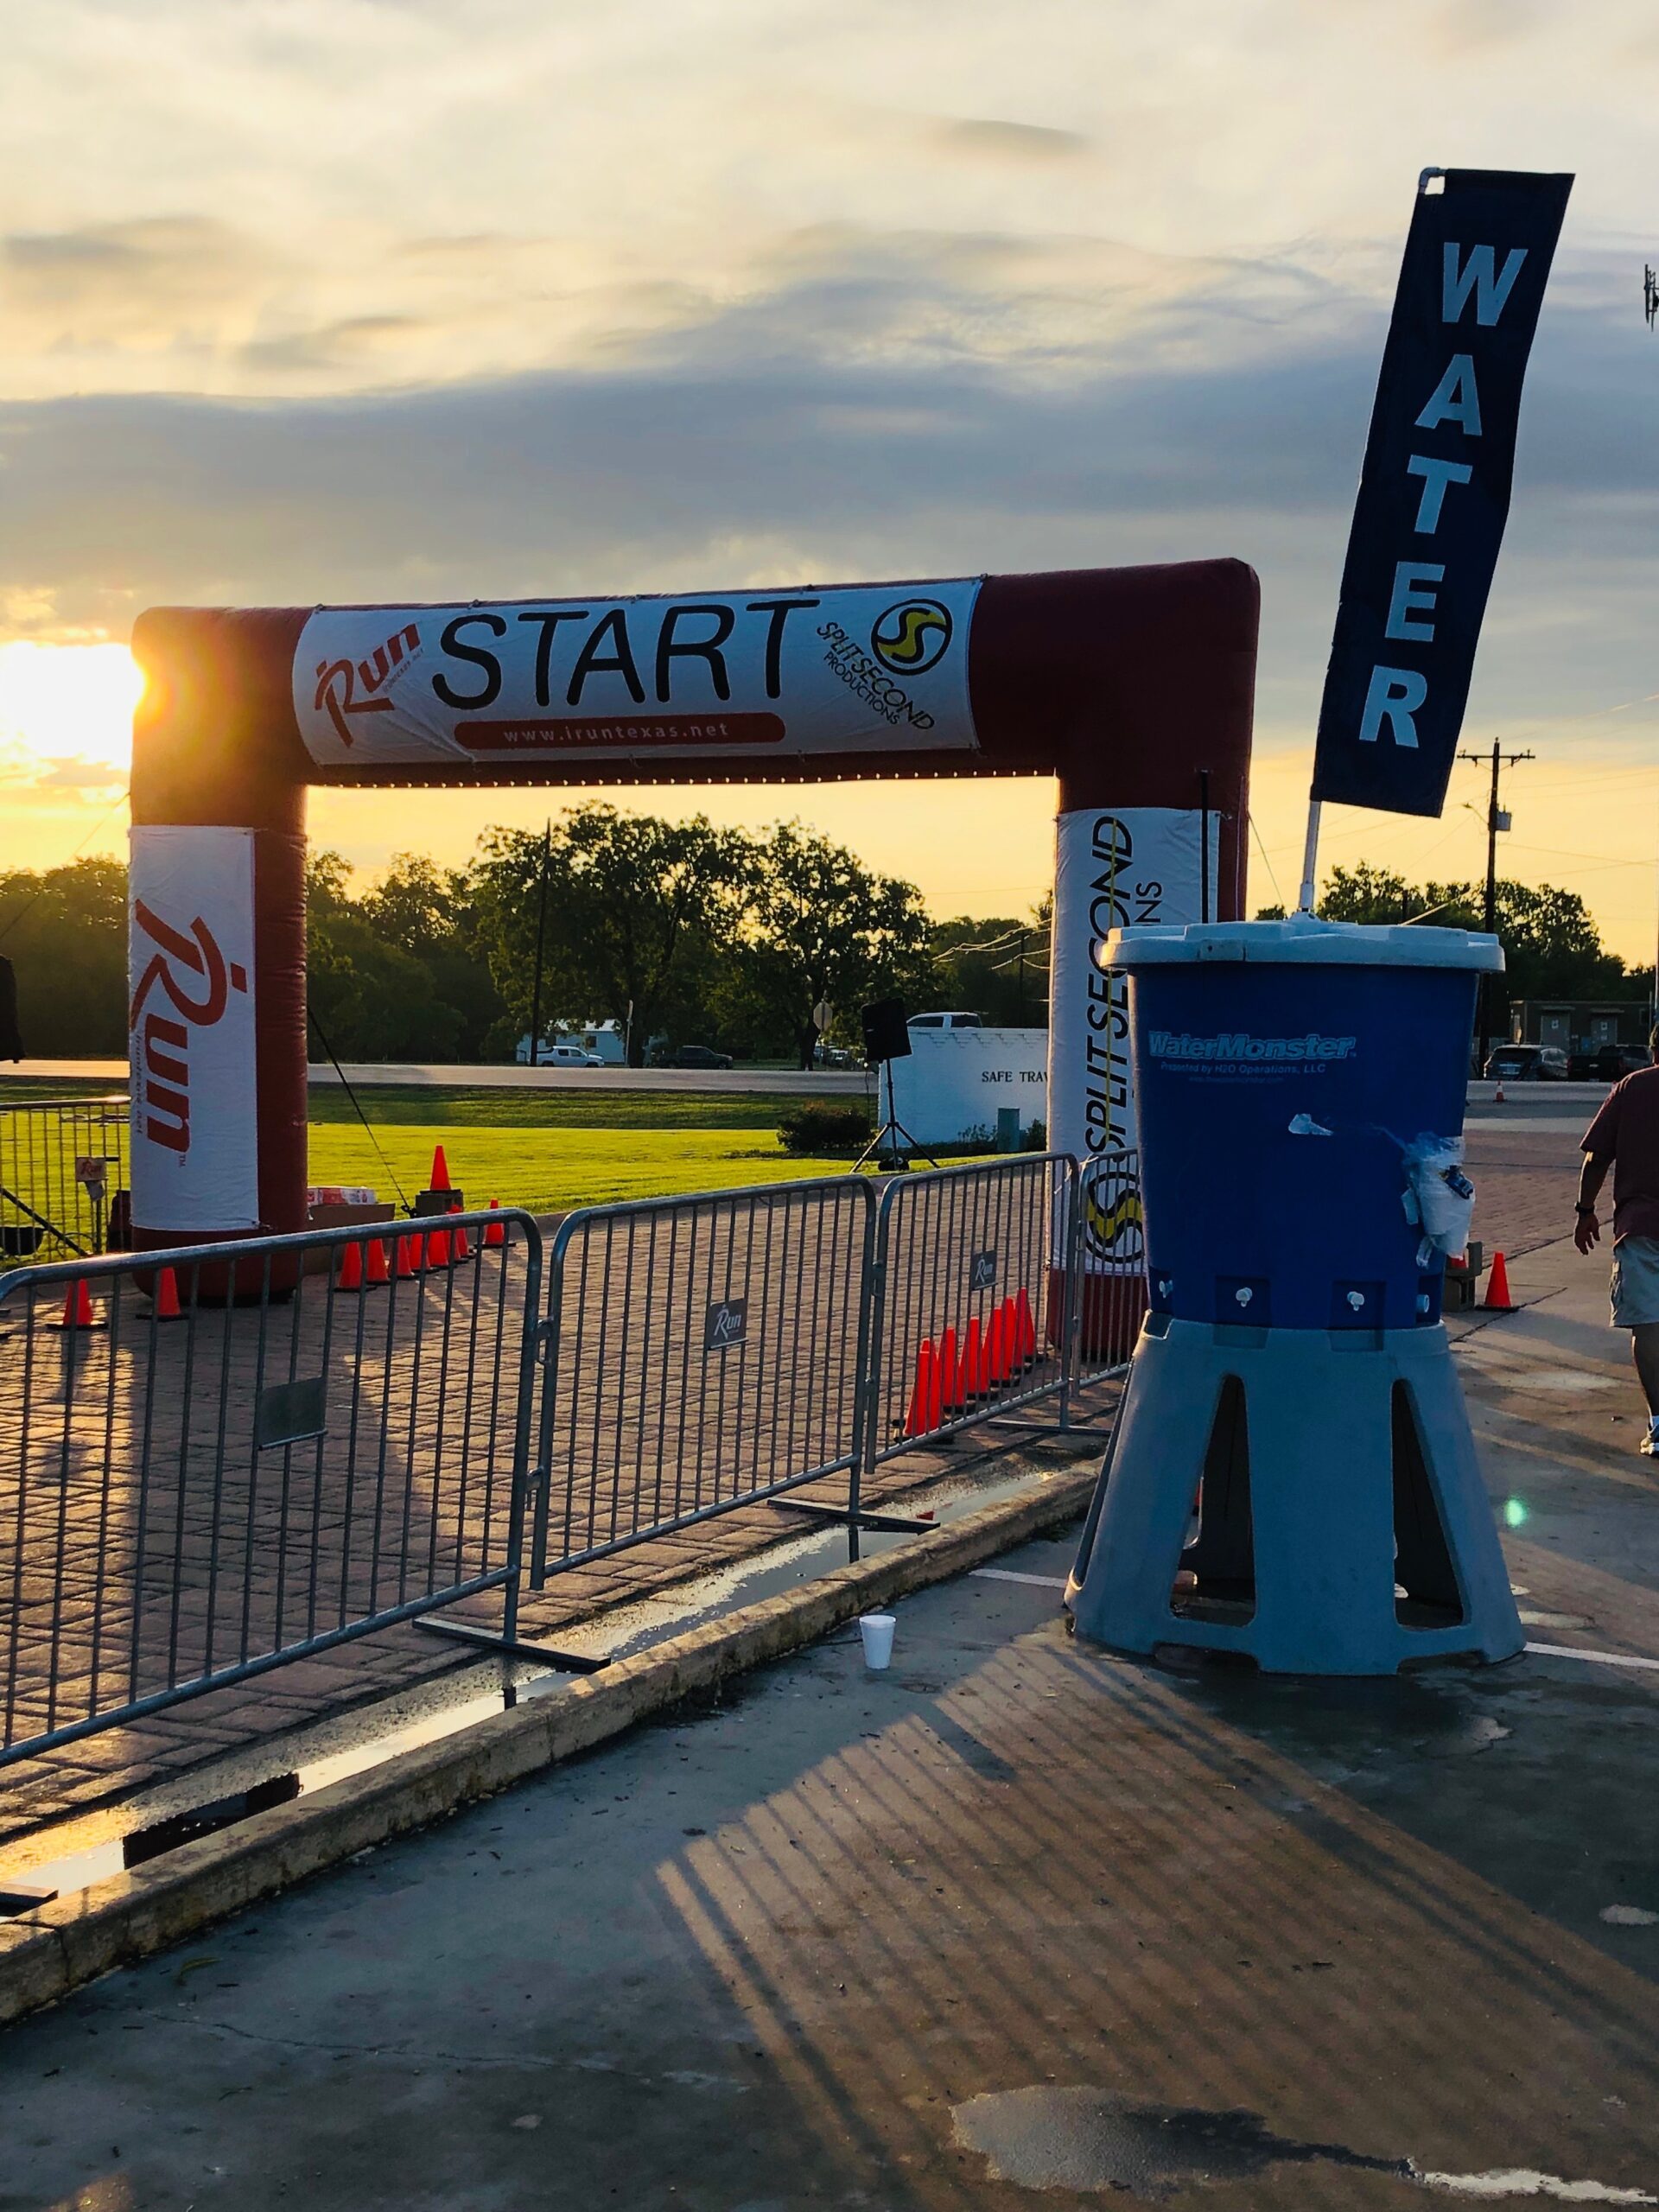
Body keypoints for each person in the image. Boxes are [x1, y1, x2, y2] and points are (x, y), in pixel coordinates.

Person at [1576, 1028, 1659, 1454]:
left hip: (1642, 1227)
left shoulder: (1632, 1088)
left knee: (1647, 1325)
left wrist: (1584, 1210)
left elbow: (1597, 1156)